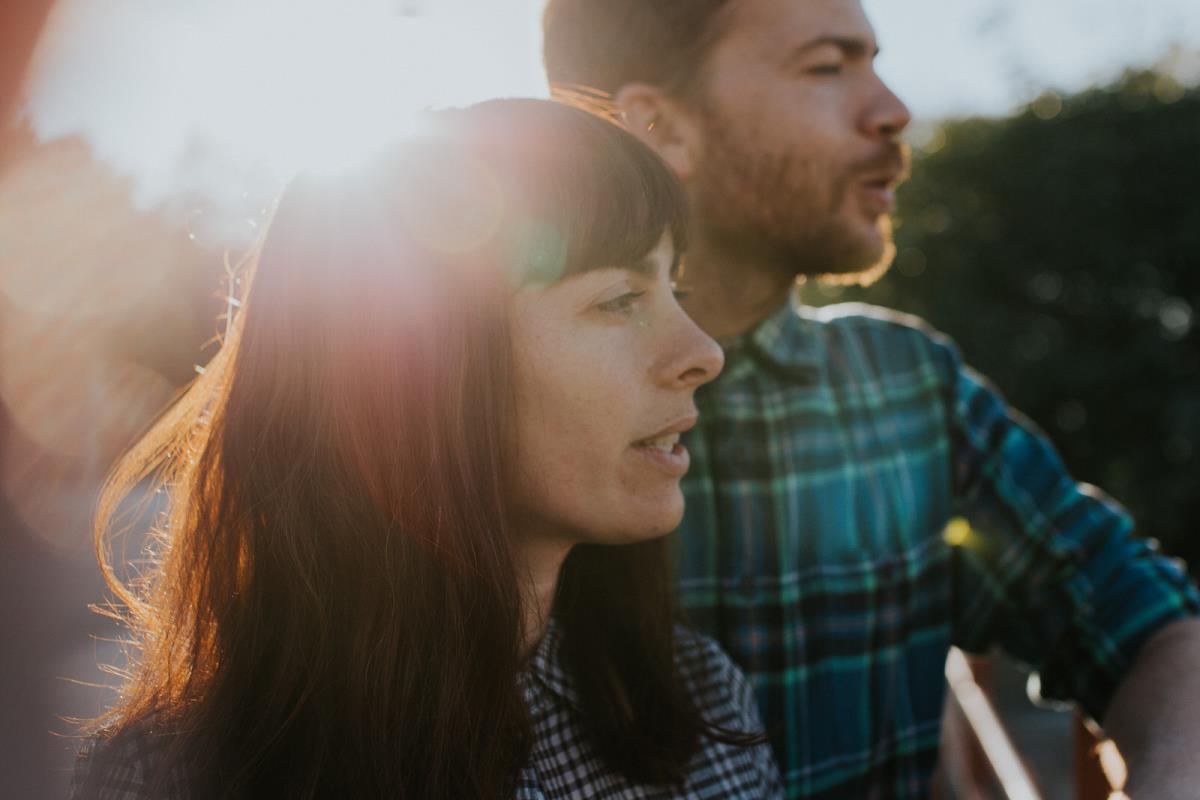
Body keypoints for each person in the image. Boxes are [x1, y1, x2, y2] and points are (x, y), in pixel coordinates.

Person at [541, 1, 1200, 797]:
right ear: (656, 126)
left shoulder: (910, 385)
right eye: (827, 66)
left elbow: (1149, 622)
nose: (893, 110)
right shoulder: (493, 428)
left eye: (875, 61)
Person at [71, 99, 782, 799]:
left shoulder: (700, 699)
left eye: (675, 287)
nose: (703, 352)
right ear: (419, 375)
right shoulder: (174, 777)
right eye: (618, 300)